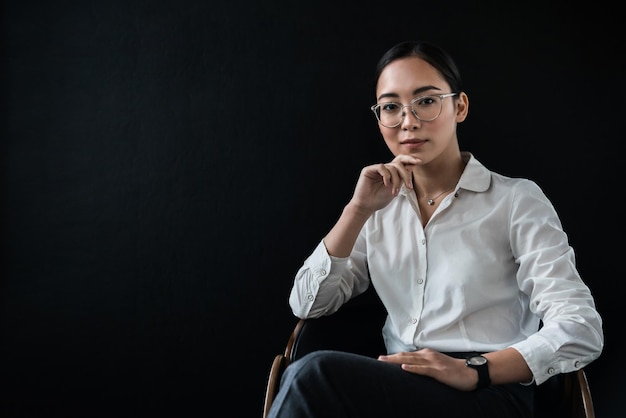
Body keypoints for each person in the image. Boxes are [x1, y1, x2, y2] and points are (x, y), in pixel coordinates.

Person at [267, 40, 604, 418]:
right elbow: (309, 304)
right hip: (402, 387)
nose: (408, 121)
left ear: (459, 107)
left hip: (491, 394)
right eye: (391, 107)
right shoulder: (379, 208)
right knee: (308, 378)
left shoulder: (515, 201)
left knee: (313, 377)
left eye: (426, 101)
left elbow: (580, 327)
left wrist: (476, 369)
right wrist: (357, 210)